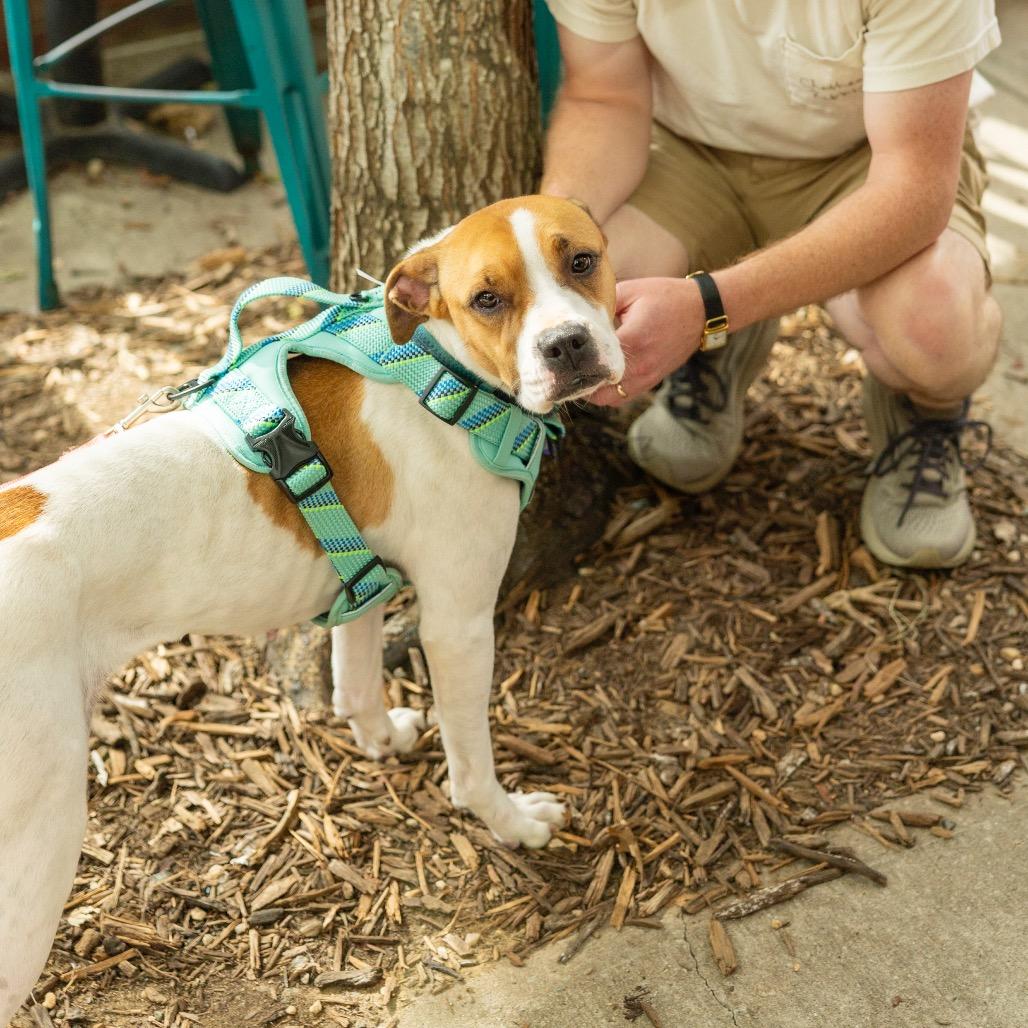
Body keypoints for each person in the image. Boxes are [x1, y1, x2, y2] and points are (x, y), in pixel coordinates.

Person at [541, 0, 1002, 569]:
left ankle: (924, 413)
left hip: (861, 163)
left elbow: (911, 190)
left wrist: (710, 305)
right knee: (590, 287)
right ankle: (714, 354)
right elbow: (602, 96)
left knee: (933, 322)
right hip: (688, 152)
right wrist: (553, 243)